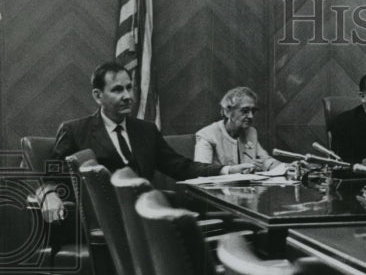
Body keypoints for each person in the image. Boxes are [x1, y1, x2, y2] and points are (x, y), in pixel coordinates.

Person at [41, 61, 223, 223]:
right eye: (118, 89)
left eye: (129, 88)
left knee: (223, 216)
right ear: (98, 96)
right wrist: (50, 195)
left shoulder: (146, 130)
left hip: (148, 217)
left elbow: (182, 167)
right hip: (107, 224)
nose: (128, 96)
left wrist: (225, 170)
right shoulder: (75, 131)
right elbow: (51, 177)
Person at [194, 86, 284, 174]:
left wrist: (285, 167)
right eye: (245, 111)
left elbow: (265, 160)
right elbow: (201, 170)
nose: (251, 116)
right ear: (227, 112)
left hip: (247, 188)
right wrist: (233, 170)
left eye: (253, 111)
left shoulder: (251, 132)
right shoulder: (207, 135)